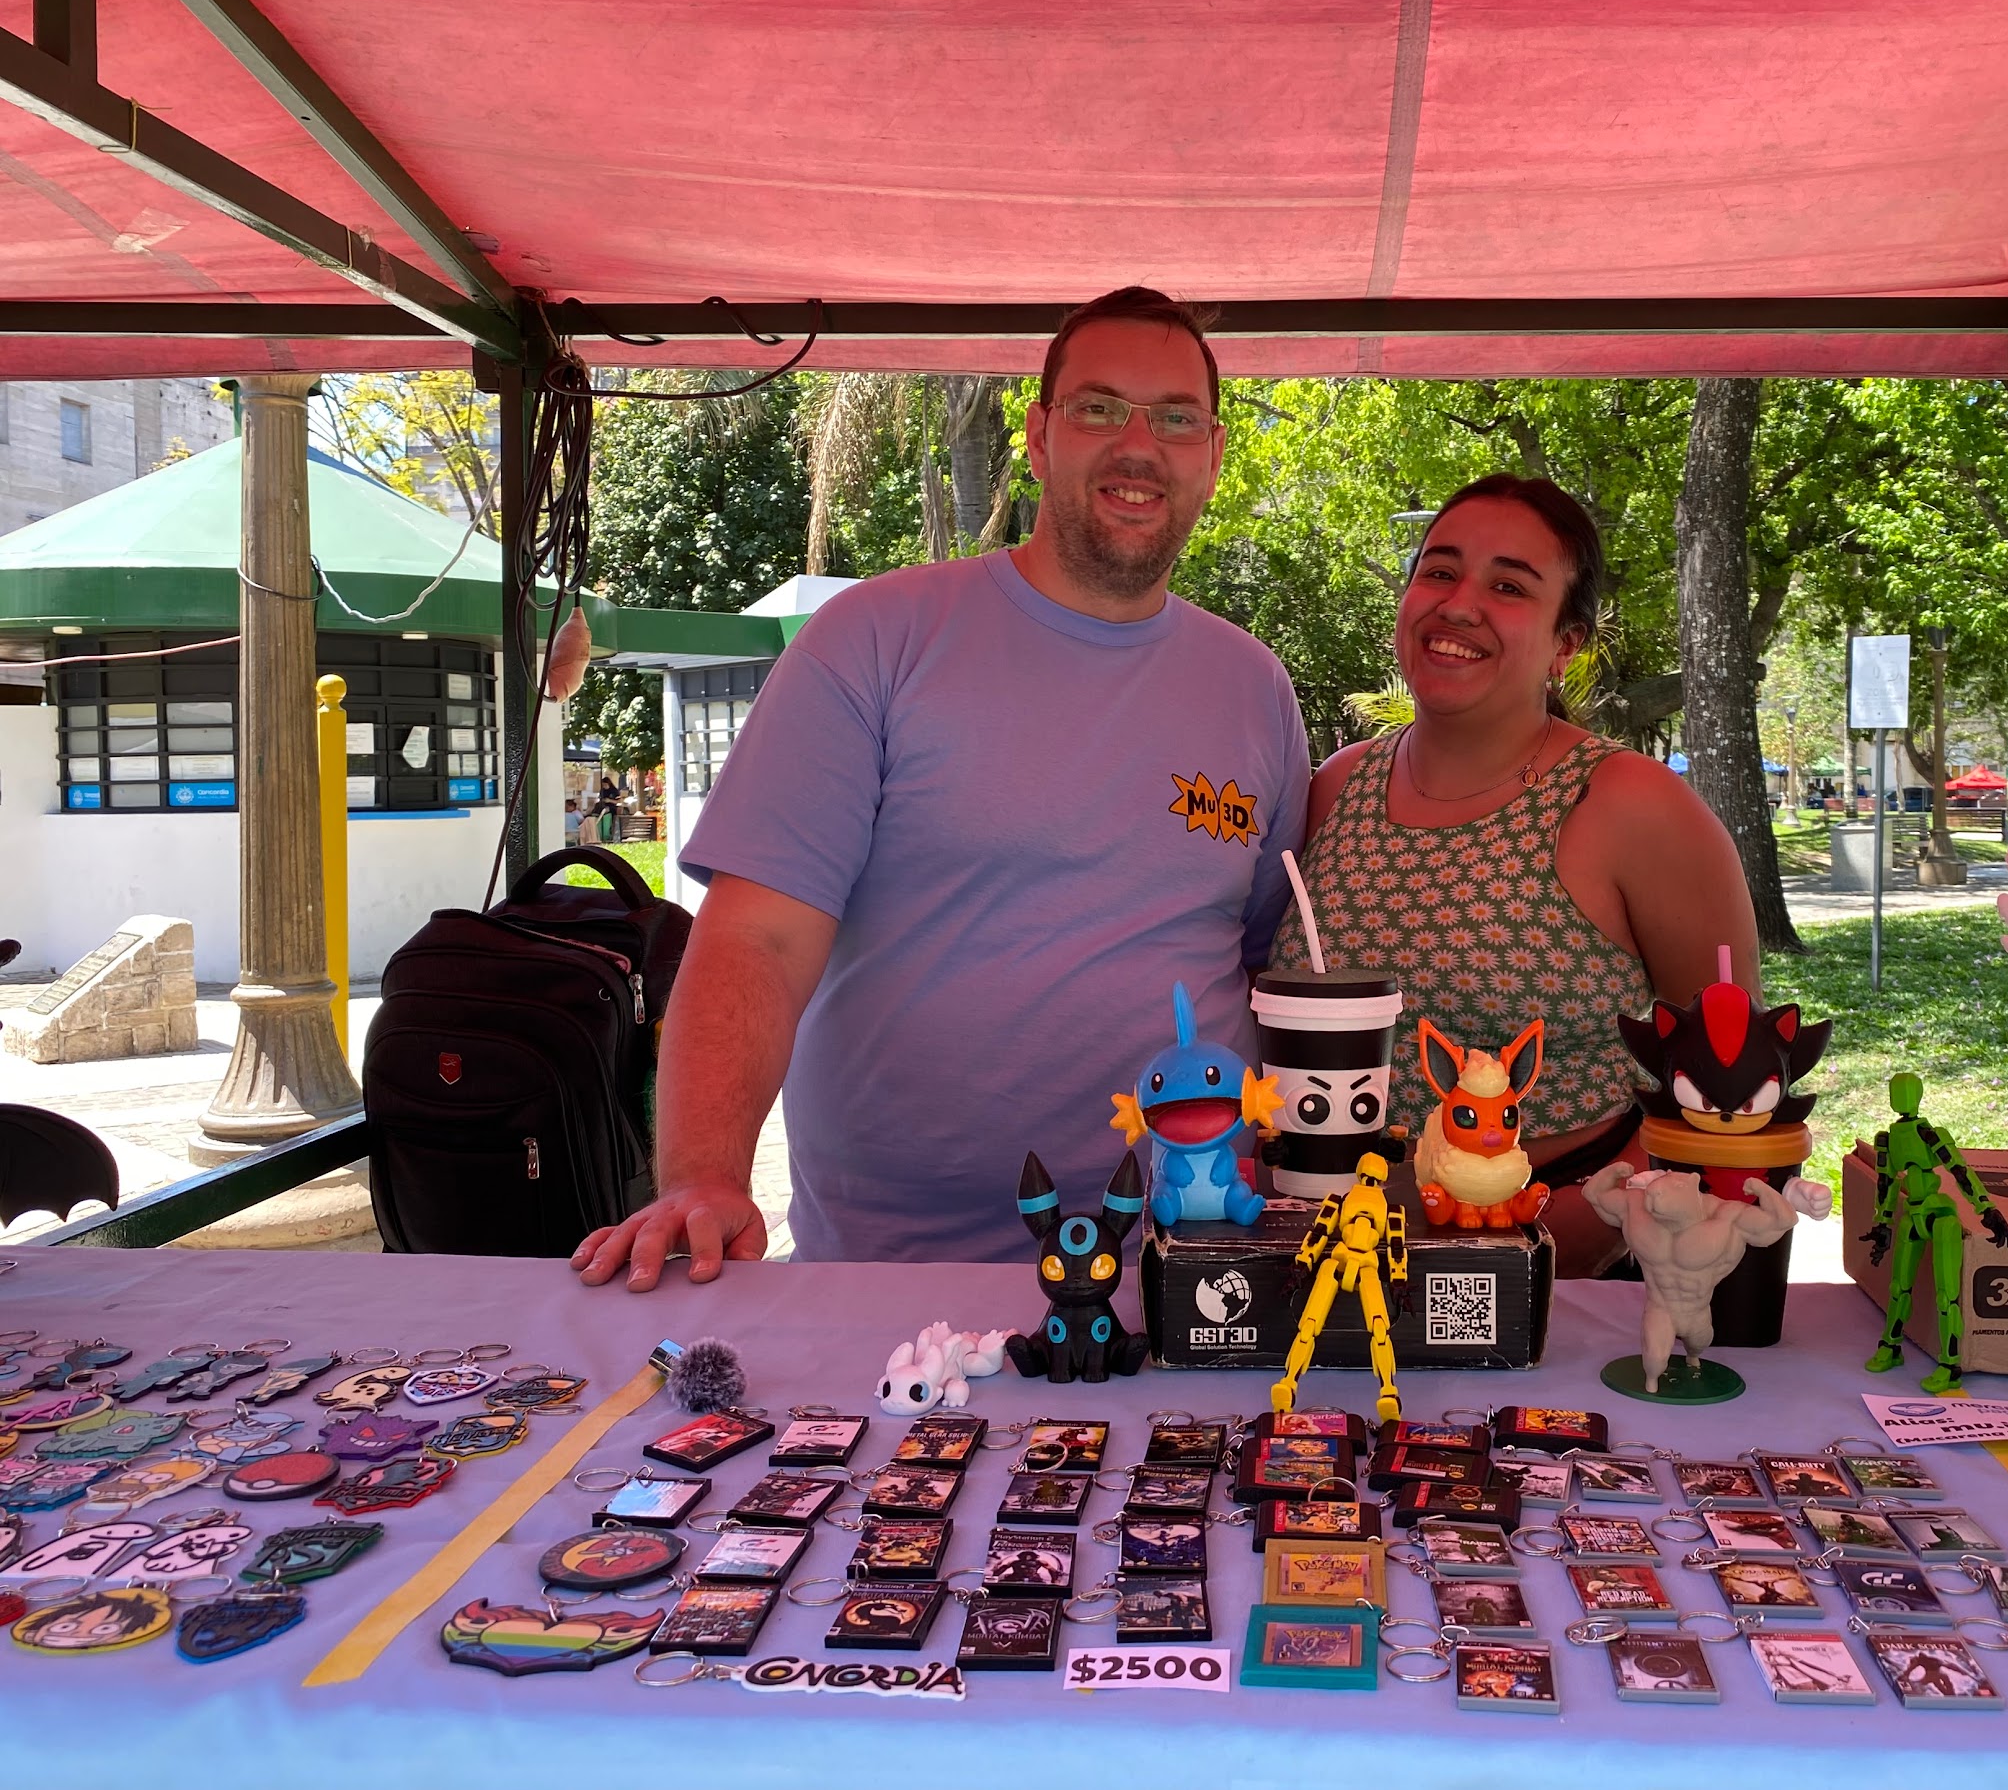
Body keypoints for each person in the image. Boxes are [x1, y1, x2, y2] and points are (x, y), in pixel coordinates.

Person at [574, 287, 1308, 1288]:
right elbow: (758, 939)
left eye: (1176, 419)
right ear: (1038, 436)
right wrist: (703, 1178)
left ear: (1213, 455)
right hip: (893, 1285)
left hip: (1191, 1271)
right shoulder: (875, 641)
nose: (1139, 446)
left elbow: (1260, 957)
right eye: (1100, 408)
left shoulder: (1254, 688)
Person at [1270, 473, 1755, 1277]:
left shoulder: (1631, 803)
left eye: (1509, 586)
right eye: (1439, 570)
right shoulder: (1337, 785)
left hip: (1568, 1264)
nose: (1460, 604)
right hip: (1338, 1255)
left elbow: (1728, 1066)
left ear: (1567, 644)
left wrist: (1588, 1226)